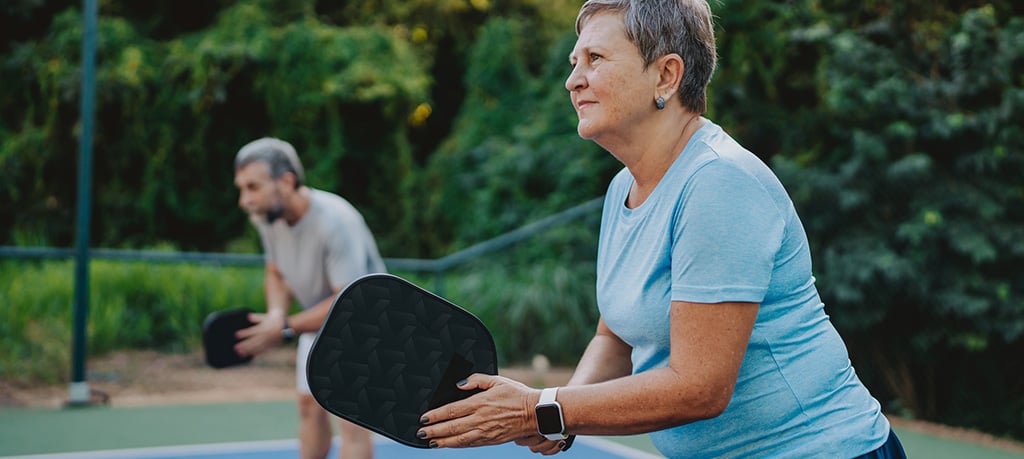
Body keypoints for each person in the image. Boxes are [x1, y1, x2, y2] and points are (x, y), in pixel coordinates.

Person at [413, 1, 907, 458]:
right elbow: (616, 338)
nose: (574, 80)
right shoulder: (622, 187)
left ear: (667, 75)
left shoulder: (718, 182)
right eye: (573, 62)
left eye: (596, 58)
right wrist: (557, 419)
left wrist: (543, 407)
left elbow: (700, 388)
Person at [232, 137, 385, 459]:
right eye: (241, 188)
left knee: (351, 420)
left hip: (364, 325)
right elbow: (275, 270)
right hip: (319, 321)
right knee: (309, 405)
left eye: (253, 187)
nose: (244, 200)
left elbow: (349, 299)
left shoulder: (336, 222)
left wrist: (286, 328)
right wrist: (276, 314)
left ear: (286, 181)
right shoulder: (268, 219)